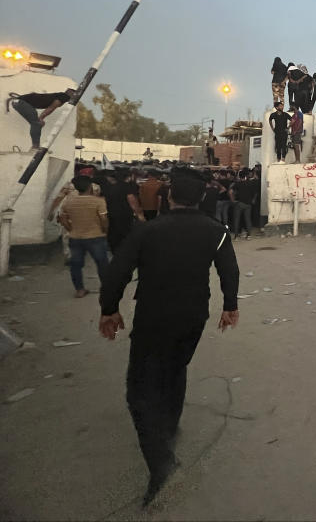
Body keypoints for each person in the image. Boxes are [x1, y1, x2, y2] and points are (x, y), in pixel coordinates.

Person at [98, 167, 240, 506]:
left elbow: (118, 269)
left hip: (153, 317)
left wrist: (109, 308)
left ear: (171, 197)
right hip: (194, 316)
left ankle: (161, 462)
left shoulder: (148, 231)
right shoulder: (215, 230)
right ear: (202, 197)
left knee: (139, 391)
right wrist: (230, 306)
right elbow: (229, 270)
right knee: (176, 367)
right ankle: (170, 426)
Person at [59, 175, 110, 299]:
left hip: (75, 237)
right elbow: (104, 219)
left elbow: (62, 218)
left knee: (75, 265)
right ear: (90, 187)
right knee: (102, 264)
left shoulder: (69, 201)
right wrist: (105, 230)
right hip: (96, 236)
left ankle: (79, 290)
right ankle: (106, 289)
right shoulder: (98, 201)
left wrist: (71, 229)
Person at [6, 88, 76, 149]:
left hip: (18, 102)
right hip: (21, 102)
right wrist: (41, 118)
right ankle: (35, 147)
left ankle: (35, 146)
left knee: (37, 123)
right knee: (36, 124)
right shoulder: (64, 96)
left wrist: (41, 119)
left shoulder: (60, 95)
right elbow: (51, 108)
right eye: (73, 94)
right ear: (71, 93)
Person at [106, 169, 145, 252]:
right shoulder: (128, 187)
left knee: (113, 232)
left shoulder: (110, 187)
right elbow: (132, 201)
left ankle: (114, 249)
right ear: (128, 177)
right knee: (125, 233)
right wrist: (139, 214)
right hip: (125, 215)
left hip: (112, 213)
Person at [230, 170, 256, 240]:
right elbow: (255, 193)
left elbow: (230, 192)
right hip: (248, 204)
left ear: (239, 176)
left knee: (236, 219)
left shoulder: (237, 184)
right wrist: (253, 200)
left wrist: (233, 200)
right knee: (248, 219)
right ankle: (249, 235)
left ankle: (236, 236)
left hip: (239, 203)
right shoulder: (250, 183)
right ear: (246, 176)